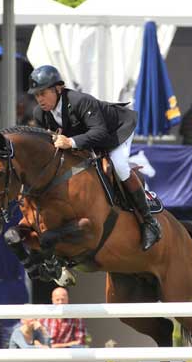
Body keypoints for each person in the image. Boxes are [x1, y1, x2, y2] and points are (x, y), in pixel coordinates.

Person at [28, 65, 161, 253]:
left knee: (119, 165)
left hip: (116, 130)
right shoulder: (39, 113)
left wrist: (71, 142)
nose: (39, 99)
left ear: (58, 89)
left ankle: (150, 223)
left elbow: (100, 133)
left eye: (43, 93)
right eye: (36, 95)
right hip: (88, 137)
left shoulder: (80, 101)